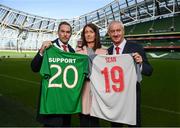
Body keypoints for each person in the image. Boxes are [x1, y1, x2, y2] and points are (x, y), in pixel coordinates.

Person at [107, 20, 153, 127]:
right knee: (115, 125)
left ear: (123, 31)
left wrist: (141, 63)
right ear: (109, 34)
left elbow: (149, 70)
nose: (115, 34)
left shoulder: (136, 47)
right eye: (112, 31)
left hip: (132, 97)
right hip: (115, 98)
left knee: (134, 125)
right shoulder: (108, 51)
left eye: (118, 30)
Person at [31, 21, 75, 127]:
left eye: (68, 32)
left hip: (65, 101)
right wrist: (41, 51)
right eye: (62, 31)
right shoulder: (49, 47)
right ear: (58, 32)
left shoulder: (72, 52)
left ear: (70, 34)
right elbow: (34, 68)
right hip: (52, 99)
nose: (65, 34)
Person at [76, 23, 107, 127]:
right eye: (86, 32)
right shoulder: (78, 52)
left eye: (91, 32)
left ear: (96, 34)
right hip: (83, 89)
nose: (88, 34)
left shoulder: (104, 51)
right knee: (83, 120)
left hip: (98, 91)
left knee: (95, 121)